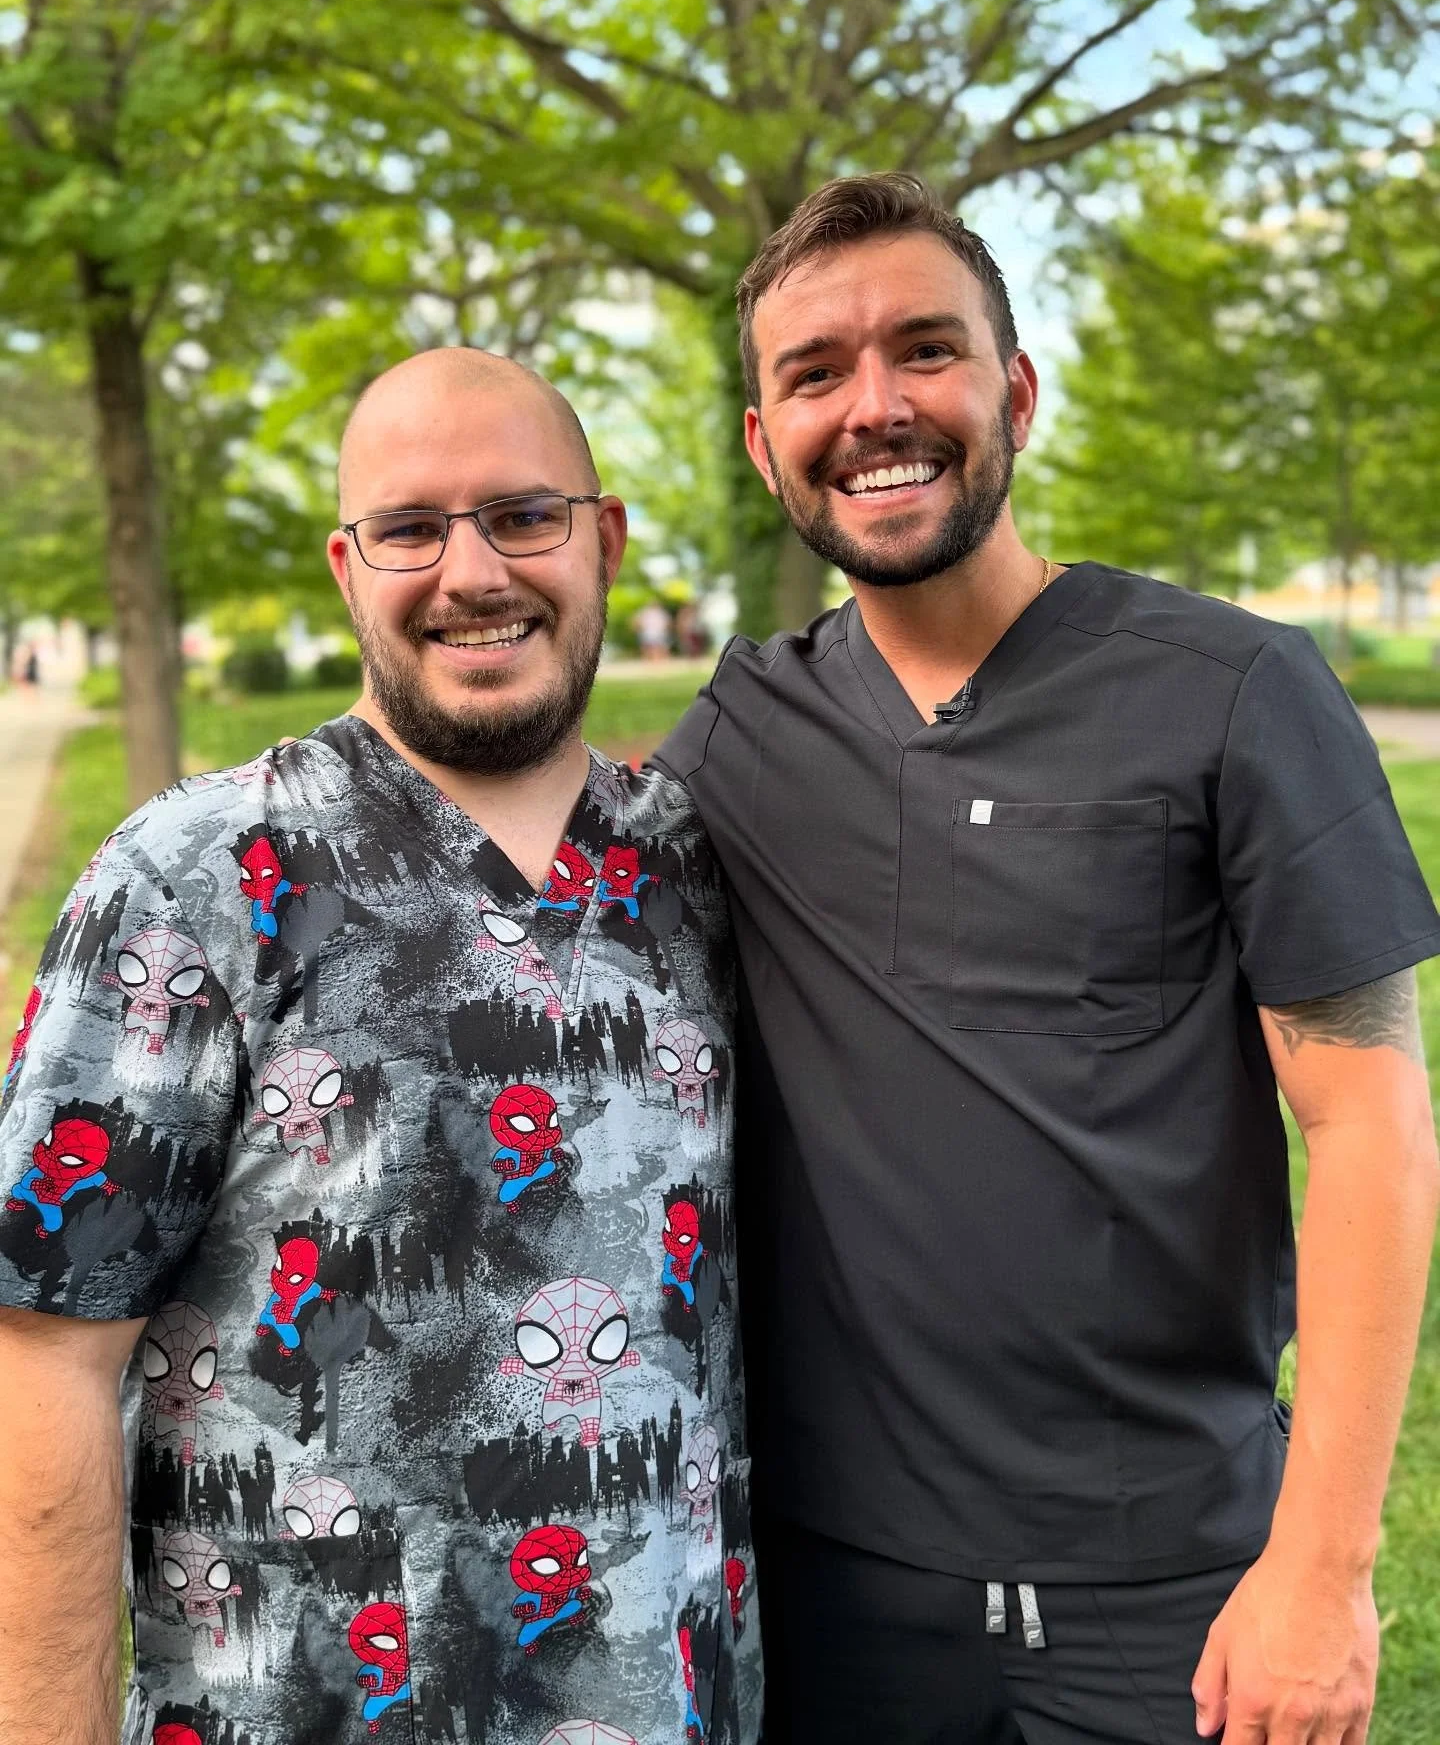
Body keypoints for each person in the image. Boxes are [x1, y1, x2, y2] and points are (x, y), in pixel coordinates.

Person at [653, 174, 1440, 1745]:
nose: (873, 407)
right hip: (829, 1601)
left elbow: (1368, 1127)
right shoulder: (739, 738)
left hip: (1179, 1598)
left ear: (1014, 392)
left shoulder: (1235, 694)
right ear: (764, 445)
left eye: (923, 350)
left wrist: (1322, 1565)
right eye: (814, 373)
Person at [0, 348, 761, 1745]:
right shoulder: (194, 879)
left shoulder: (693, 870)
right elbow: (41, 1348)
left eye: (523, 515)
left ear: (606, 540)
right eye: (413, 528)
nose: (472, 572)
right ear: (350, 569)